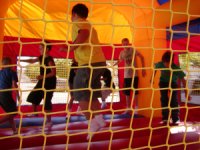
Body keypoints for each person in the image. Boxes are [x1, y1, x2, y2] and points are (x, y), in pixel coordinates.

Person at [60, 3, 106, 140]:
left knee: (79, 94)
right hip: (99, 62)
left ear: (74, 14)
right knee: (91, 93)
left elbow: (83, 34)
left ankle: (92, 123)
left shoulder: (78, 23)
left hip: (88, 63)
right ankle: (99, 119)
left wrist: (71, 48)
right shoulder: (89, 24)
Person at [20, 41, 57, 126]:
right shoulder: (41, 57)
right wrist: (20, 59)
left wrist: (42, 76)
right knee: (33, 96)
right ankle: (35, 112)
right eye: (39, 48)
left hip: (49, 82)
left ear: (47, 49)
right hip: (42, 81)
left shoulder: (49, 59)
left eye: (41, 48)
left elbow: (53, 72)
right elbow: (32, 60)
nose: (39, 49)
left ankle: (49, 121)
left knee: (47, 100)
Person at [152, 51, 191, 125]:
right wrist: (152, 78)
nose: (166, 65)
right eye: (164, 63)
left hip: (173, 83)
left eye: (168, 63)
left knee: (174, 100)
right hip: (163, 83)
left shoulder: (176, 68)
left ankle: (175, 118)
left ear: (171, 62)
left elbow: (183, 80)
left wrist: (186, 93)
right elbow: (155, 68)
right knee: (164, 99)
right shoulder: (160, 64)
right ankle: (165, 118)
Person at [115, 38, 146, 114]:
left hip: (134, 74)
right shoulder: (122, 53)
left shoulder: (132, 50)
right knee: (127, 92)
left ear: (129, 43)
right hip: (127, 75)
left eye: (126, 43)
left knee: (135, 91)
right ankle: (128, 108)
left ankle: (136, 108)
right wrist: (113, 65)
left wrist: (143, 69)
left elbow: (142, 57)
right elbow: (120, 60)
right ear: (122, 45)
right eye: (124, 44)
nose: (125, 45)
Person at [0, 57, 19, 134]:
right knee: (13, 112)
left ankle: (15, 131)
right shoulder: (12, 72)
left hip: (2, 93)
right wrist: (18, 94)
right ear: (9, 64)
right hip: (4, 94)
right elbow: (14, 85)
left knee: (10, 113)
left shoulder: (0, 72)